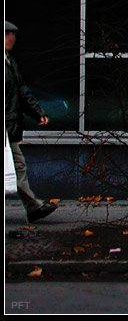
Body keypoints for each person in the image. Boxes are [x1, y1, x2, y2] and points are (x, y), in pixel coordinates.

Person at [5, 21, 57, 223]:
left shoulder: (9, 61)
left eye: (13, 35)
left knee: (17, 166)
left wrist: (37, 112)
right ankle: (33, 207)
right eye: (7, 34)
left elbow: (21, 92)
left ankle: (33, 207)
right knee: (16, 166)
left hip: (9, 127)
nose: (12, 39)